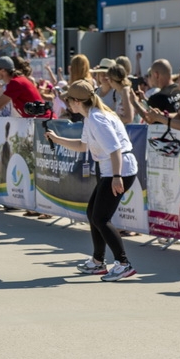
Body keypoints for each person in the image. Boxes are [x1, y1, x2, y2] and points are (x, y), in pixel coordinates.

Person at [45, 80, 139, 282]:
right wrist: (57, 139)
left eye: (68, 100)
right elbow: (82, 145)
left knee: (101, 218)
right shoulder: (91, 117)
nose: (67, 104)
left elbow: (115, 149)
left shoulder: (97, 119)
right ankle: (98, 262)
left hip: (119, 170)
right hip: (112, 169)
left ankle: (123, 264)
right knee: (93, 213)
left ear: (77, 101)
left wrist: (116, 177)